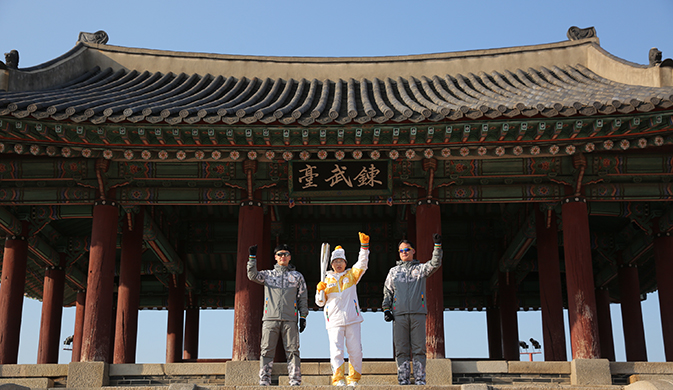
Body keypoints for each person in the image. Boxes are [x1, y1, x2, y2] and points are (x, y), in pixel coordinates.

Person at [382, 234, 442, 385]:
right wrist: (386, 309)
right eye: (401, 251)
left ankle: (420, 379)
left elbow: (435, 263)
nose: (404, 253)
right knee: (401, 350)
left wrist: (437, 246)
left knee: (419, 349)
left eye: (407, 250)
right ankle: (403, 380)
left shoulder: (420, 270)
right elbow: (387, 291)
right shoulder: (393, 272)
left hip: (418, 314)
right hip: (399, 315)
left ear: (413, 251)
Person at [247, 243, 308, 386]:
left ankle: (295, 380)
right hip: (270, 318)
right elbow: (252, 275)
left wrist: (303, 316)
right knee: (266, 350)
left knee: (293, 350)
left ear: (290, 257)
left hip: (290, 319)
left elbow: (302, 297)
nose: (283, 257)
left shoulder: (297, 277)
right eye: (280, 254)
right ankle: (264, 379)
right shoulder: (268, 275)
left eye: (286, 254)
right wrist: (252, 258)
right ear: (275, 257)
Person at [316, 233, 370, 386]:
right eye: (335, 261)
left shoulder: (352, 276)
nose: (338, 264)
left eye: (341, 261)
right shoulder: (326, 280)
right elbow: (320, 303)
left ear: (345, 263)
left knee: (355, 350)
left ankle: (353, 379)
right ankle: (338, 379)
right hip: (333, 320)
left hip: (352, 318)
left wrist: (364, 248)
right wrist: (319, 291)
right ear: (331, 264)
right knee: (336, 351)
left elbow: (362, 264)